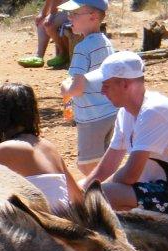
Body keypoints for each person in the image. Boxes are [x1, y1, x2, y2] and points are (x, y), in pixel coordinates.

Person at [82, 51, 168, 232]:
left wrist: (92, 191)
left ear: (125, 84)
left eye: (106, 85)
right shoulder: (125, 113)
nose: (102, 91)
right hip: (164, 192)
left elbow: (130, 175)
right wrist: (81, 189)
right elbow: (107, 166)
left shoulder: (153, 112)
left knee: (102, 195)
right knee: (94, 192)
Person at [0, 83, 82, 215]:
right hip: (64, 225)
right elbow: (78, 196)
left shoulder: (5, 149)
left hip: (37, 229)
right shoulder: (49, 147)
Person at [58, 0, 116, 175]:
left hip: (92, 117)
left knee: (87, 165)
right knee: (105, 162)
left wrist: (64, 89)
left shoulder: (82, 48)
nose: (69, 18)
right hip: (110, 112)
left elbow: (77, 88)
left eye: (75, 14)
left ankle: (100, 196)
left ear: (93, 16)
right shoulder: (106, 42)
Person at [18, 0, 68, 68]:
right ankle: (39, 56)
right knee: (41, 23)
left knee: (49, 24)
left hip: (79, 10)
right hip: (67, 9)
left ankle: (64, 54)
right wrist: (43, 14)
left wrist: (51, 14)